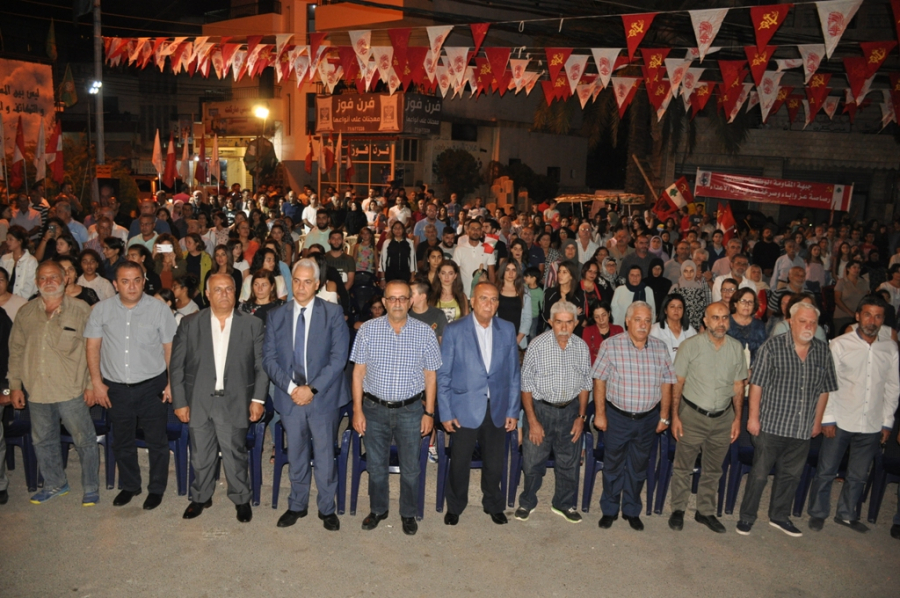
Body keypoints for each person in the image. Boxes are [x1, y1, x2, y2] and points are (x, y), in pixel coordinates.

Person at [170, 273, 268, 523]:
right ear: (207, 294)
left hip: (235, 400)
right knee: (200, 455)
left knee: (235, 455)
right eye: (218, 289)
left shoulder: (252, 324)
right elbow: (177, 366)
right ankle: (201, 497)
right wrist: (180, 401)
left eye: (229, 289)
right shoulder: (190, 323)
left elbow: (261, 367)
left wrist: (258, 400)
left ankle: (241, 499)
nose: (224, 294)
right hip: (199, 400)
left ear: (236, 293)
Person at [736, 301, 838, 537]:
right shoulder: (772, 347)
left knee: (791, 476)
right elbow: (757, 385)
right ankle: (747, 517)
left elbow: (825, 389)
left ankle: (779, 516)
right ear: (791, 322)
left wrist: (818, 420)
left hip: (802, 428)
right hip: (771, 425)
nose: (808, 326)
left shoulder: (823, 351)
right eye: (803, 321)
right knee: (759, 475)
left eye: (813, 322)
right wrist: (753, 418)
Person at [350, 280, 442, 536]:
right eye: (392, 298)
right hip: (374, 408)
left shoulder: (425, 333)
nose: (398, 303)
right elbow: (358, 374)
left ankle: (408, 512)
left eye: (403, 298)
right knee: (376, 465)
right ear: (384, 302)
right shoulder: (367, 330)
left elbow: (431, 376)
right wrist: (357, 410)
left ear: (411, 302)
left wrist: (429, 413)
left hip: (410, 410)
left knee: (411, 467)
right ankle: (378, 509)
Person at [84, 260, 178, 510]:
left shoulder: (159, 310)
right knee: (122, 440)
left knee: (157, 441)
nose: (132, 286)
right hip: (115, 388)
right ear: (115, 284)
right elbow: (92, 347)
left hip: (152, 386)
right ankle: (130, 485)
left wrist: (172, 383)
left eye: (137, 280)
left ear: (144, 281)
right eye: (125, 281)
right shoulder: (101, 310)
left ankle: (156, 489)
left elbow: (170, 348)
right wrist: (96, 383)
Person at [263, 259, 349, 530]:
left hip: (323, 397)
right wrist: (292, 389)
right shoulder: (276, 315)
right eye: (297, 281)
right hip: (290, 397)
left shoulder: (333, 313)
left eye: (307, 282)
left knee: (324, 455)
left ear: (317, 284)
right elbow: (269, 359)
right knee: (297, 454)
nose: (301, 287)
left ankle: (327, 508)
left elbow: (338, 358)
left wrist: (311, 389)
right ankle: (297, 505)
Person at [7, 261, 99, 506]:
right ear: (36, 282)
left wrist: (91, 385)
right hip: (37, 389)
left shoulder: (81, 310)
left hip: (71, 389)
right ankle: (55, 484)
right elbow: (16, 351)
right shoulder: (25, 312)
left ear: (65, 279)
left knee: (84, 439)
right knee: (43, 440)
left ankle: (91, 487)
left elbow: (93, 350)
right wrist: (15, 385)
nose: (48, 282)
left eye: (54, 277)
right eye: (43, 278)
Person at [807, 296, 899, 532]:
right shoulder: (839, 344)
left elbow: (892, 387)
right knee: (827, 470)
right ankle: (818, 512)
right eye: (867, 315)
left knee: (858, 474)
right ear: (857, 316)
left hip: (872, 422)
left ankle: (847, 515)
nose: (872, 321)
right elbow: (826, 383)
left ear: (883, 320)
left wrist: (887, 422)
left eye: (878, 316)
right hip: (840, 419)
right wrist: (827, 418)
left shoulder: (890, 348)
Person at [438, 281, 520, 526]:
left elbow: (514, 374)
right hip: (463, 407)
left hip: (497, 407)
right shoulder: (454, 330)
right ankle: (455, 506)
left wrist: (513, 410)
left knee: (495, 463)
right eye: (483, 298)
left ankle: (493, 504)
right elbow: (444, 375)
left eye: (494, 299)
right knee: (459, 462)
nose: (489, 304)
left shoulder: (507, 329)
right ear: (472, 301)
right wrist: (445, 412)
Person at [592, 301, 675, 530]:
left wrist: (664, 416)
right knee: (613, 465)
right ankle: (610, 509)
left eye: (647, 320)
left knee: (638, 467)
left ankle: (631, 510)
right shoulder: (611, 345)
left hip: (647, 419)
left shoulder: (660, 348)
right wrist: (600, 414)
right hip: (617, 417)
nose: (643, 325)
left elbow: (667, 382)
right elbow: (599, 379)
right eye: (638, 320)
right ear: (627, 321)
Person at [668, 302, 747, 533]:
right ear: (705, 321)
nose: (721, 323)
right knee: (683, 467)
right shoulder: (690, 346)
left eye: (724, 318)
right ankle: (678, 509)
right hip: (692, 416)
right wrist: (675, 416)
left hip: (723, 418)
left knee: (713, 469)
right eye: (715, 318)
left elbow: (739, 386)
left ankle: (705, 511)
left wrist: (737, 419)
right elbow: (677, 383)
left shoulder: (736, 348)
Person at [515, 300, 591, 523]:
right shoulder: (537, 346)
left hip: (570, 412)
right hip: (540, 411)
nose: (564, 328)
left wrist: (581, 417)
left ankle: (563, 503)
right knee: (532, 461)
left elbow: (586, 384)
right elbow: (526, 386)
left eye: (569, 322)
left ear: (575, 323)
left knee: (569, 462)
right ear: (550, 322)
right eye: (559, 322)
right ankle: (528, 501)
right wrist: (532, 421)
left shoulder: (581, 347)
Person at [453, 220, 496, 295]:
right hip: (463, 294)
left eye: (478, 229)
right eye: (473, 229)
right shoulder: (459, 249)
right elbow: (456, 273)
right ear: (467, 230)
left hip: (482, 293)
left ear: (481, 231)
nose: (475, 231)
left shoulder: (488, 248)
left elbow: (491, 274)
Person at [543, 261, 587, 335]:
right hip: (553, 331)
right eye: (559, 271)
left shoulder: (579, 294)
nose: (560, 275)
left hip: (574, 332)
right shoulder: (550, 293)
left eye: (564, 272)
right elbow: (546, 315)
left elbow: (581, 317)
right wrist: (573, 313)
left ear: (571, 276)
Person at [650, 294, 697, 363]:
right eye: (672, 307)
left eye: (680, 307)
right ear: (665, 310)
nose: (676, 310)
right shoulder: (656, 329)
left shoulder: (690, 330)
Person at [496, 259, 532, 348]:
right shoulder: (495, 291)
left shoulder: (524, 292)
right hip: (497, 338)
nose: (511, 273)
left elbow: (527, 318)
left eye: (514, 270)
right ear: (502, 271)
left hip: (518, 339)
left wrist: (517, 340)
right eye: (507, 270)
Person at [0, 226, 38, 299]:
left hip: (23, 300)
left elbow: (31, 285)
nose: (7, 242)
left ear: (20, 241)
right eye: (7, 239)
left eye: (11, 239)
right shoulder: (5, 258)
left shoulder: (31, 261)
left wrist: (16, 300)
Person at [834, 261, 872, 335]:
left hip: (859, 317)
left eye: (859, 268)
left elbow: (867, 298)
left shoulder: (864, 282)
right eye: (854, 267)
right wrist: (851, 313)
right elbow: (837, 300)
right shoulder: (841, 282)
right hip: (843, 316)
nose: (857, 270)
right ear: (848, 269)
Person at [581, 301, 623, 365]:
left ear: (609, 313)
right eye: (597, 317)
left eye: (604, 315)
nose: (601, 320)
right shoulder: (588, 331)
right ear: (593, 317)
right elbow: (586, 355)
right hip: (595, 368)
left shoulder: (618, 330)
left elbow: (621, 353)